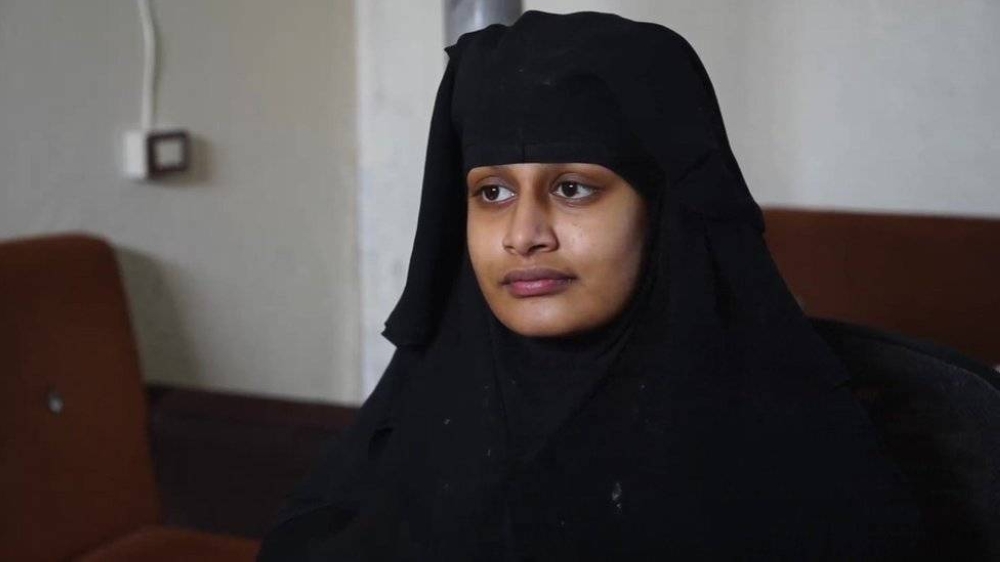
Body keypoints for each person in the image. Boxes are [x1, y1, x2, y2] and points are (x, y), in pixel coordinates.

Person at [258, 11, 920, 560]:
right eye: (492, 193)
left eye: (573, 189)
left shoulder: (800, 462)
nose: (523, 236)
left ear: (662, 216)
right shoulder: (409, 430)